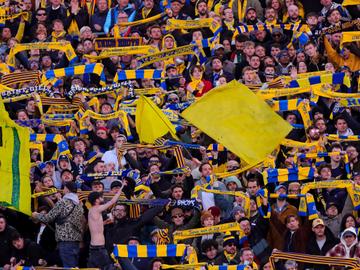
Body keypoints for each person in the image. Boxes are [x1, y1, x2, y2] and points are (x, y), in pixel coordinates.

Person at [31, 181, 84, 267]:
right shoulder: (79, 204)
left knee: (68, 267)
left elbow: (48, 218)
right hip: (76, 241)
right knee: (74, 266)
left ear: (66, 189)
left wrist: (37, 215)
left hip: (65, 240)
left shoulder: (62, 202)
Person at [87, 181, 124, 269]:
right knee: (109, 267)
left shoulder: (91, 210)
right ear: (96, 200)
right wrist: (122, 187)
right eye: (100, 197)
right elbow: (112, 201)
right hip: (99, 248)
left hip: (94, 247)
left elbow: (93, 226)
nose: (102, 198)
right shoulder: (97, 209)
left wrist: (104, 223)